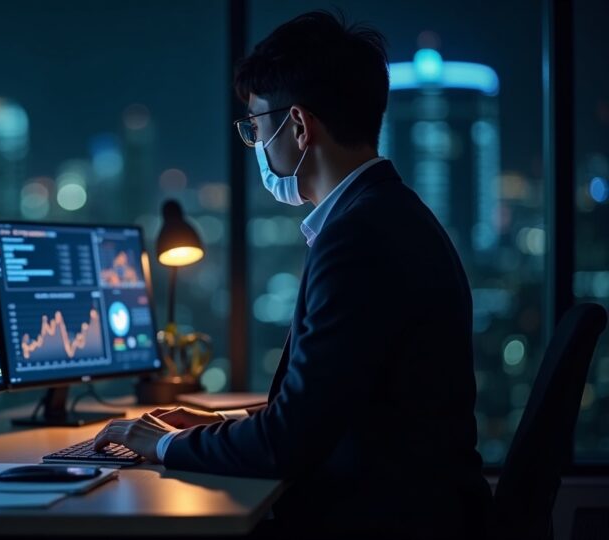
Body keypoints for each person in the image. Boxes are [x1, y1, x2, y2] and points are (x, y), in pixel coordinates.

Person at [92, 10, 492, 539]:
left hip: (376, 519)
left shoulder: (359, 238)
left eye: (256, 127)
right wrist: (222, 428)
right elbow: (327, 407)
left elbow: (291, 441)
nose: (256, 145)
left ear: (299, 127)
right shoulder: (387, 214)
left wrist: (161, 444)